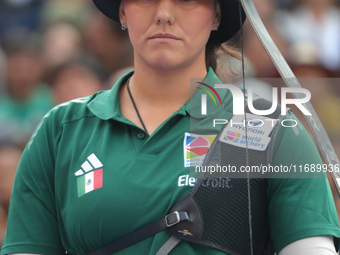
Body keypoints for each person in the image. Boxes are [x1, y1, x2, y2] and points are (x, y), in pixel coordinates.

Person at [1, 0, 340, 254]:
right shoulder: (61, 130)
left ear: (217, 15)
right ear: (122, 12)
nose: (164, 12)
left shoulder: (275, 131)